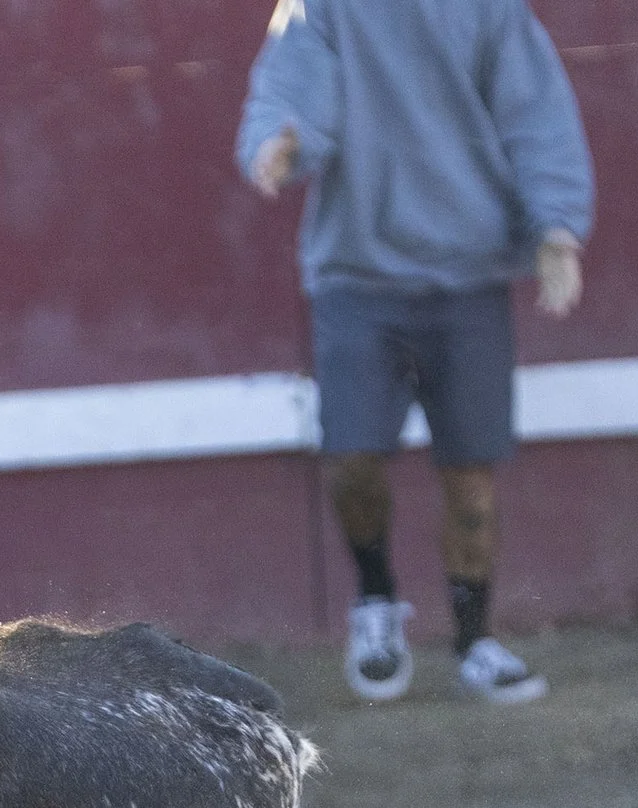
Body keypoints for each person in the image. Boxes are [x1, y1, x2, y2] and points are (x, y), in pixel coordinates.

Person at [237, 0, 594, 704]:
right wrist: (278, 140)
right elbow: (291, 87)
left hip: (469, 278)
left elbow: (537, 115)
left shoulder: (490, 11)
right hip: (357, 275)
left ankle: (473, 641)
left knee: (470, 479)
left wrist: (558, 227)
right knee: (352, 459)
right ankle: (375, 602)